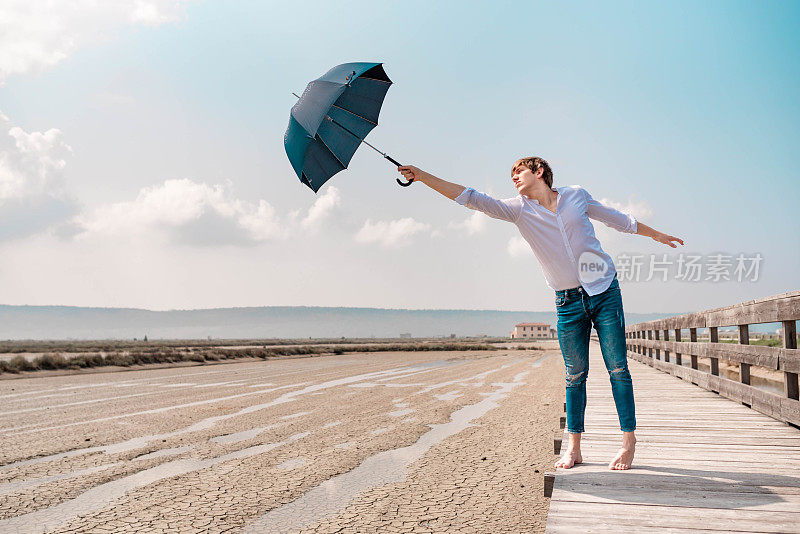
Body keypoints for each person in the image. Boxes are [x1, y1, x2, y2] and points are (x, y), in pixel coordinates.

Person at [396, 158, 684, 470]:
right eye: (511, 175)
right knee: (575, 375)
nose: (513, 178)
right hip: (568, 303)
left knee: (617, 369)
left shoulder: (576, 195)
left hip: (604, 291)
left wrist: (655, 235)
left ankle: (628, 442)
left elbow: (617, 220)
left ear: (539, 172)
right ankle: (574, 448)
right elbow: (470, 197)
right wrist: (422, 176)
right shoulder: (518, 209)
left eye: (517, 172)